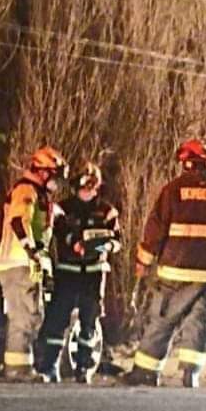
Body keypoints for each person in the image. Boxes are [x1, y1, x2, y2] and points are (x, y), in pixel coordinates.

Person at [124, 139, 206, 388]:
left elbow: (155, 230)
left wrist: (143, 262)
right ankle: (191, 374)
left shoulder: (172, 191)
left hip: (174, 271)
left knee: (163, 318)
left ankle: (146, 372)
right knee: (198, 322)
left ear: (184, 163)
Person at [37, 162, 121, 383]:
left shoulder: (107, 211)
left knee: (89, 322)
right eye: (84, 184)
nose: (88, 189)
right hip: (68, 271)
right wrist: (74, 243)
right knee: (58, 320)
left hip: (94, 274)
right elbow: (59, 232)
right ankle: (50, 366)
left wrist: (97, 247)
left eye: (92, 184)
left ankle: (83, 367)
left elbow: (116, 242)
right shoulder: (64, 208)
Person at [0, 146, 68, 381]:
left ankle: (22, 366)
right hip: (19, 262)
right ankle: (17, 368)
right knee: (23, 317)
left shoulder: (36, 193)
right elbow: (19, 221)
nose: (56, 182)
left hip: (26, 263)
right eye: (54, 176)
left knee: (31, 315)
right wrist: (32, 250)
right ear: (43, 172)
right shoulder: (26, 190)